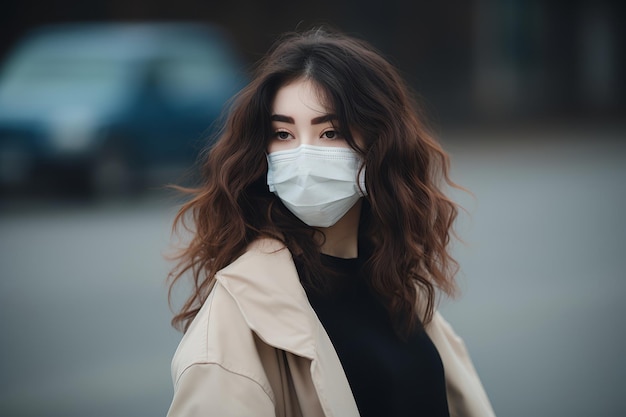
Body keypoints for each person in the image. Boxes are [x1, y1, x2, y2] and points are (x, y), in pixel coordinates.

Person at [166, 28, 495, 417]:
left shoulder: (397, 286)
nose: (304, 155)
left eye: (330, 132)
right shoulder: (233, 329)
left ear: (379, 145)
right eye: (283, 134)